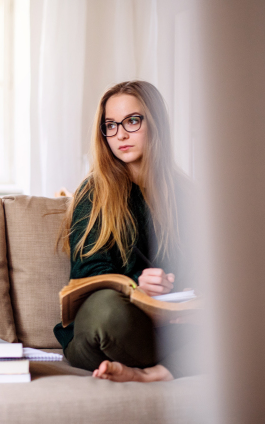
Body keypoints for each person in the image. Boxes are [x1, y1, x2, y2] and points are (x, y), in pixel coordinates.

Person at [53, 80, 198, 382]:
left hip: (173, 328)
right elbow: (88, 274)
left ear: (156, 123)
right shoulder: (94, 191)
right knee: (107, 311)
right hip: (116, 326)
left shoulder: (187, 194)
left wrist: (186, 299)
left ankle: (150, 373)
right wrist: (138, 285)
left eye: (132, 121)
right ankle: (176, 364)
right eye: (110, 125)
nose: (120, 134)